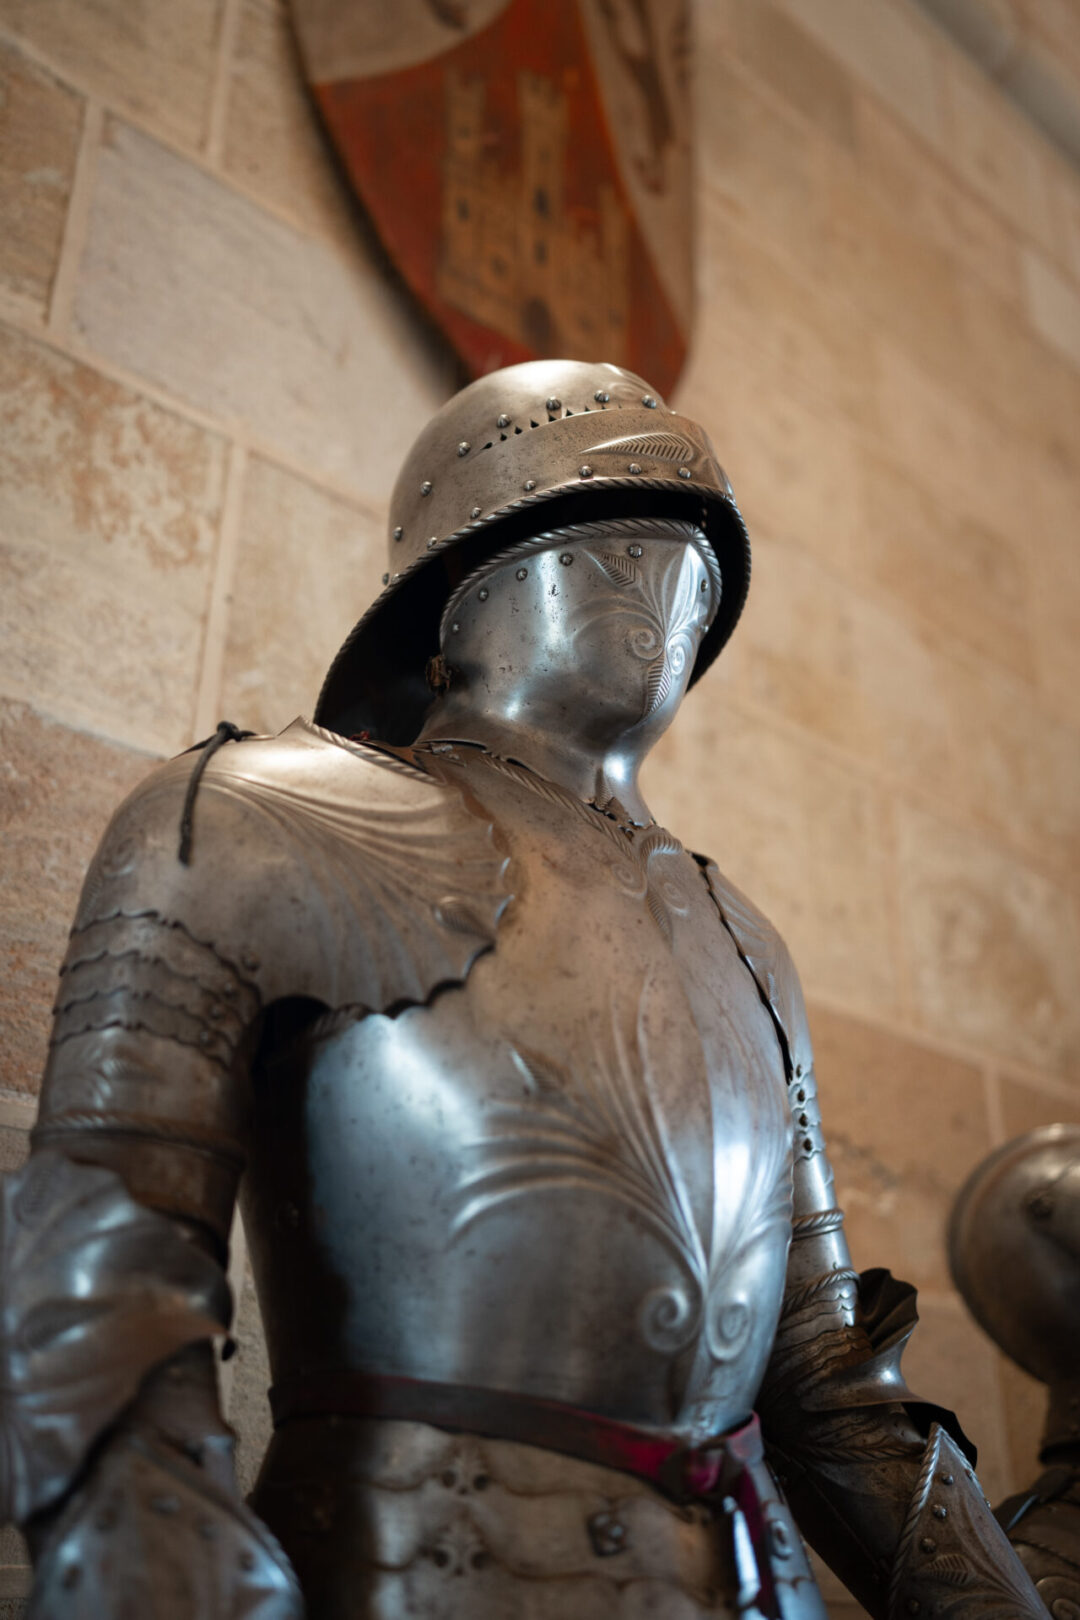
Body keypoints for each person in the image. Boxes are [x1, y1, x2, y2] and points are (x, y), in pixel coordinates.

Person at [1, 361, 1045, 1618]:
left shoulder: (746, 943)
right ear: (463, 576)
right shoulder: (259, 816)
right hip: (408, 1570)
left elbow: (824, 1377)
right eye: (604, 538)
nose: (655, 578)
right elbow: (101, 1275)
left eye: (684, 550)